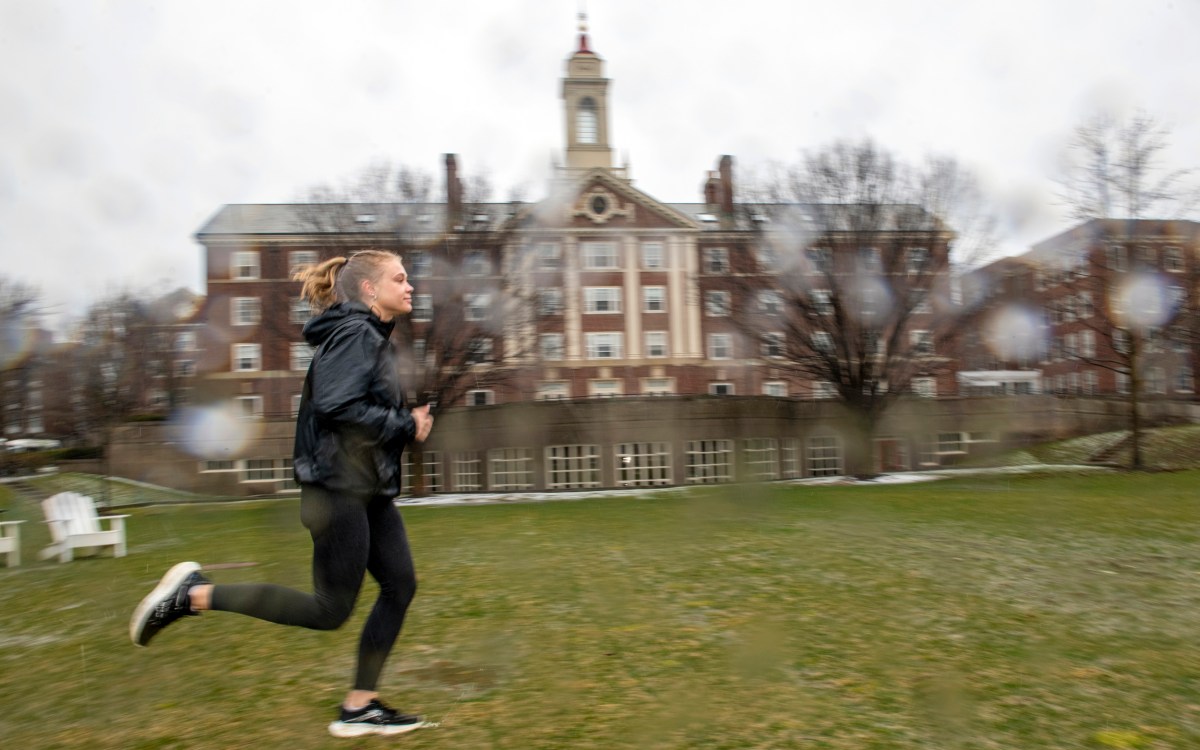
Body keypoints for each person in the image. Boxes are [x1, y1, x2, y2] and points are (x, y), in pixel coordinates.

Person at [130, 250, 435, 738]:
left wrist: (401, 426)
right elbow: (338, 405)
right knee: (328, 609)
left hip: (366, 488)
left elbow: (352, 410)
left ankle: (360, 705)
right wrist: (405, 423)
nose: (410, 286)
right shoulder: (356, 334)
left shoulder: (367, 336)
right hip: (338, 489)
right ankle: (194, 595)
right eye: (400, 279)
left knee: (400, 585)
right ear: (369, 290)